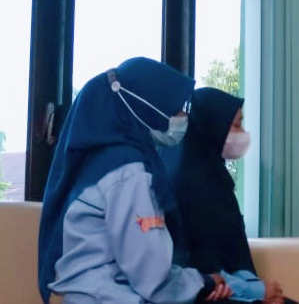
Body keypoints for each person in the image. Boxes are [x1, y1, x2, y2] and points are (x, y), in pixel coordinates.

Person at [38, 57, 233, 304]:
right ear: (147, 107)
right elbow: (153, 279)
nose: (183, 116)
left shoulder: (97, 164)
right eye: (175, 107)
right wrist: (205, 282)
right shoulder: (129, 172)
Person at [160, 87, 296, 304]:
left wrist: (256, 288)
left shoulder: (215, 177)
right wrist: (255, 291)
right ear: (213, 125)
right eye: (236, 125)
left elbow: (231, 254)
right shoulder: (186, 183)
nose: (242, 133)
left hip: (228, 288)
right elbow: (196, 268)